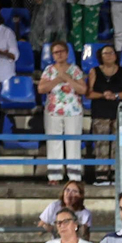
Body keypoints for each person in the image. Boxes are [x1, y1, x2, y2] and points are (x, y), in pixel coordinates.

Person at [36, 41, 87, 182]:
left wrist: (68, 79)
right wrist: (58, 79)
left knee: (73, 143)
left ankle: (74, 176)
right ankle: (54, 175)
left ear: (67, 53)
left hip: (73, 110)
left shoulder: (75, 69)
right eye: (56, 52)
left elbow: (83, 90)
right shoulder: (49, 70)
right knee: (54, 143)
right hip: (53, 110)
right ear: (52, 55)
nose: (59, 54)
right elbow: (41, 89)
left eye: (61, 51)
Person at [85, 42, 122, 180]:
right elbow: (89, 93)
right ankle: (102, 175)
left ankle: (117, 174)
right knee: (101, 144)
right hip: (100, 112)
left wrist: (115, 95)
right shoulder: (94, 71)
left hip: (119, 112)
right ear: (100, 56)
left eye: (111, 53)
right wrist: (103, 95)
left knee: (119, 144)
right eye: (106, 53)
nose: (109, 56)